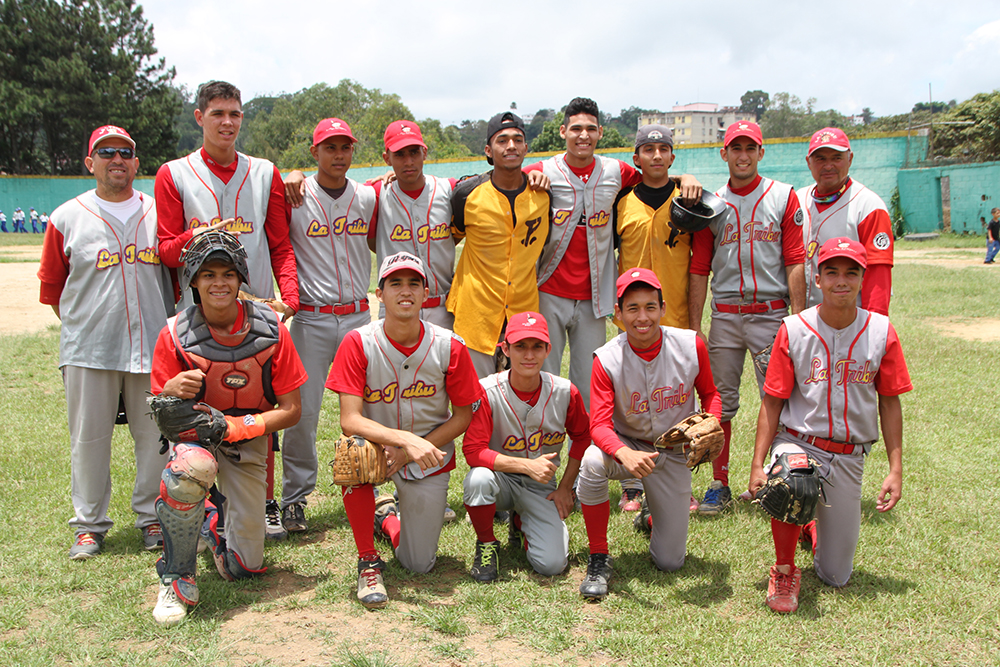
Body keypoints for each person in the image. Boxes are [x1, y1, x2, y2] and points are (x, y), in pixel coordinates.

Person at [155, 80, 299, 540]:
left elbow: (279, 242)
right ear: (200, 117)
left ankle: (265, 501)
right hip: (198, 314)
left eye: (234, 114)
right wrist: (203, 238)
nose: (227, 122)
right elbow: (165, 249)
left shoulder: (264, 172)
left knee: (257, 406)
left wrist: (290, 297)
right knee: (195, 411)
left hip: (253, 314)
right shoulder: (174, 173)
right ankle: (198, 501)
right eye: (217, 113)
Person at [149, 230, 306, 626]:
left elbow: (291, 411)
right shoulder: (173, 333)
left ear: (241, 279)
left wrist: (239, 427)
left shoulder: (271, 329)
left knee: (245, 565)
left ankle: (212, 519)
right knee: (190, 471)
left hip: (248, 436)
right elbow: (161, 412)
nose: (219, 283)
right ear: (193, 282)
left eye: (227, 273)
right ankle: (176, 576)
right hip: (197, 439)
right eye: (208, 275)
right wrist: (169, 390)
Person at [749, 237, 910, 614]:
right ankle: (785, 569)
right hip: (798, 443)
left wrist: (895, 469)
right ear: (817, 279)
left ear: (862, 279)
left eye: (851, 272)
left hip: (849, 455)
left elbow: (890, 401)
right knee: (795, 477)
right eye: (832, 272)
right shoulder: (794, 328)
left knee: (836, 575)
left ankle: (811, 526)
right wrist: (758, 465)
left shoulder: (881, 331)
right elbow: (772, 401)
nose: (841, 280)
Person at [37, 125, 173, 559]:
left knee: (154, 437)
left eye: (126, 152)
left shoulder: (158, 213)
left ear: (136, 163)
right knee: (89, 439)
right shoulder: (66, 216)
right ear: (89, 162)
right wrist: (90, 327)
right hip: (89, 350)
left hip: (152, 346)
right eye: (106, 151)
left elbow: (173, 277)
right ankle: (89, 526)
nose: (117, 159)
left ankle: (152, 518)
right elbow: (53, 289)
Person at [326, 252, 481, 608]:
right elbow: (350, 420)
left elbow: (462, 417)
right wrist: (401, 441)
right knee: (354, 453)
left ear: (426, 293)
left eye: (414, 283)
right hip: (377, 447)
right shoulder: (358, 341)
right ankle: (368, 561)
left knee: (418, 564)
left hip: (427, 454)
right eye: (395, 283)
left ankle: (386, 519)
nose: (405, 290)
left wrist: (413, 447)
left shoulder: (449, 345)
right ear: (379, 294)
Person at [576, 268, 721, 600]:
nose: (642, 317)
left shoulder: (690, 344)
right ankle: (599, 557)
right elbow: (597, 424)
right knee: (592, 462)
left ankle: (651, 518)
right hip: (629, 445)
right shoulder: (607, 358)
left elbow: (710, 392)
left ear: (663, 308)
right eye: (633, 308)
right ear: (619, 314)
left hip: (673, 450)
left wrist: (711, 417)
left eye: (650, 307)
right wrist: (622, 453)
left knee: (669, 562)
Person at [687, 121, 806, 514]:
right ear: (724, 154)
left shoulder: (783, 197)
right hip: (725, 314)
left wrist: (801, 320)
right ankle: (719, 482)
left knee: (781, 398)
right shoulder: (712, 203)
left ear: (760, 152)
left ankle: (778, 477)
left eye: (749, 148)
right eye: (734, 148)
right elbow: (699, 268)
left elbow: (795, 260)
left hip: (771, 313)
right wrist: (693, 327)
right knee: (720, 404)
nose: (742, 155)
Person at [280, 118, 376, 533]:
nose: (339, 155)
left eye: (345, 147)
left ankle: (378, 489)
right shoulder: (295, 196)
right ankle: (295, 498)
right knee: (302, 412)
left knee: (373, 406)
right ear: (315, 151)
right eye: (330, 147)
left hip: (358, 315)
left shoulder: (368, 197)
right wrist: (290, 176)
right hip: (312, 319)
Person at [461, 311, 590, 582]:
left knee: (551, 565)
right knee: (478, 479)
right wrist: (525, 465)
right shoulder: (486, 390)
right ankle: (486, 544)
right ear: (505, 348)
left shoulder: (565, 392)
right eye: (520, 346)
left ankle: (520, 523)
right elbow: (473, 451)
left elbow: (583, 437)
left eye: (536, 347)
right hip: (500, 480)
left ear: (548, 350)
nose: (529, 355)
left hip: (541, 487)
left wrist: (566, 487)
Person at [612, 124, 698, 513]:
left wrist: (695, 322)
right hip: (631, 319)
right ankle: (632, 482)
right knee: (628, 400)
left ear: (673, 158)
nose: (657, 156)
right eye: (649, 149)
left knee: (676, 403)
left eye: (664, 148)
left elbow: (701, 265)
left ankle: (679, 478)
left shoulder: (690, 200)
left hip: (674, 314)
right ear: (637, 158)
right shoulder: (622, 202)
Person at [449, 111, 551, 377]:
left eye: (518, 140)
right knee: (475, 400)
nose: (511, 146)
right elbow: (451, 237)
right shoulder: (467, 194)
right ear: (488, 150)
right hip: (477, 313)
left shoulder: (543, 195)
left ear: (526, 148)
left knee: (519, 397)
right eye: (502, 140)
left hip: (523, 311)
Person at [797, 127, 892, 315]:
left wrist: (874, 326)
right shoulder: (798, 199)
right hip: (808, 321)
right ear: (809, 162)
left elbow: (878, 274)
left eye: (836, 158)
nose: (828, 165)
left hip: (851, 320)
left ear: (850, 159)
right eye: (820, 158)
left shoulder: (868, 205)